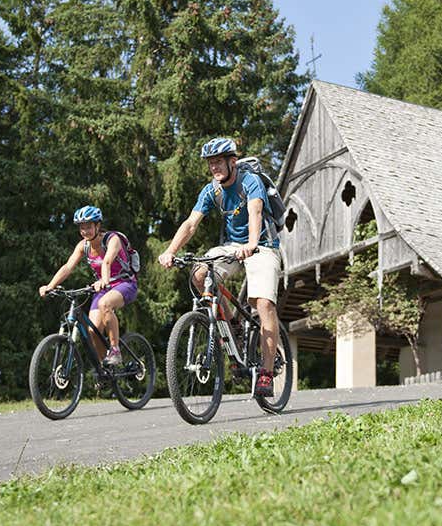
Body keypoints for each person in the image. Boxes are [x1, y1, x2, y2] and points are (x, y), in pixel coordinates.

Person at [158, 138, 282, 397]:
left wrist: (251, 244)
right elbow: (191, 224)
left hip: (262, 244)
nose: (214, 167)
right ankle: (231, 325)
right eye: (210, 163)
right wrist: (171, 251)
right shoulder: (211, 190)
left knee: (263, 303)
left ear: (232, 161)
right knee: (200, 273)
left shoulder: (250, 181)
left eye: (218, 162)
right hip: (232, 246)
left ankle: (266, 374)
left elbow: (256, 211)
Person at [39, 206, 138, 366]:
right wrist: (49, 286)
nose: (85, 231)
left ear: (97, 226)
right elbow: (68, 267)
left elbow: (106, 262)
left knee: (104, 304)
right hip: (101, 287)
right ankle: (104, 368)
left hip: (124, 283)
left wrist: (104, 280)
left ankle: (115, 350)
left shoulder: (112, 239)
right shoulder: (83, 246)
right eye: (82, 227)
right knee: (93, 330)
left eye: (88, 226)